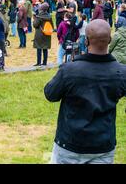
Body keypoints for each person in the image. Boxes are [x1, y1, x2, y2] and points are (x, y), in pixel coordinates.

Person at [44, 19, 126, 164]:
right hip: (102, 143)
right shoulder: (121, 72)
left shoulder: (70, 70)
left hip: (71, 142)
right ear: (110, 40)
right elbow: (50, 94)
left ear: (86, 41)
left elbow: (50, 94)